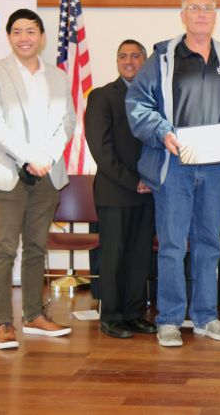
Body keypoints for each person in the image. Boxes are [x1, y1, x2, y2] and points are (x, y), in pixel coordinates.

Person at [126, 0, 220, 347]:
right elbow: (137, 103)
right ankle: (170, 319)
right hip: (174, 164)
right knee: (174, 244)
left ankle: (206, 316)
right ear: (183, 15)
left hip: (215, 166)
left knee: (209, 242)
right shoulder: (162, 57)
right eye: (194, 8)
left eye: (208, 7)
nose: (202, 13)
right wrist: (163, 133)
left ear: (215, 15)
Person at [0, 8, 75, 350]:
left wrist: (45, 157)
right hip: (9, 172)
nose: (24, 37)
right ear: (9, 37)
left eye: (30, 31)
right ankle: (3, 322)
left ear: (42, 37)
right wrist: (28, 157)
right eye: (17, 31)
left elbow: (67, 122)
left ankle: (34, 315)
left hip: (47, 174)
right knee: (5, 247)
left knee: (36, 247)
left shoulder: (58, 77)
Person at [84, 39, 156, 339]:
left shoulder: (155, 98)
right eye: (123, 56)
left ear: (144, 61)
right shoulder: (102, 96)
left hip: (149, 193)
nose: (129, 61)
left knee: (140, 256)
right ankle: (111, 316)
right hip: (116, 191)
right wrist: (132, 181)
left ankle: (133, 313)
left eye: (135, 56)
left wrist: (151, 179)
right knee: (113, 256)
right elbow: (101, 149)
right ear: (117, 62)